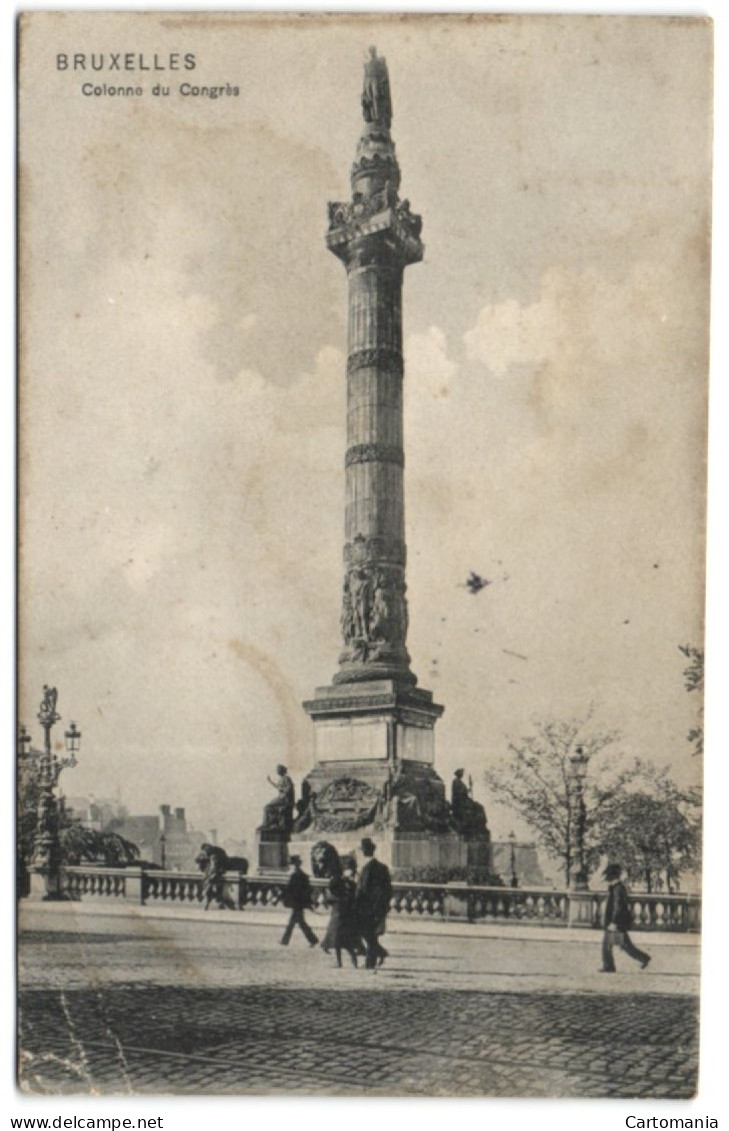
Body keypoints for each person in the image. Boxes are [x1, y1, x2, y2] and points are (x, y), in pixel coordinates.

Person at [600, 863, 651, 973]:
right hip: (618, 922)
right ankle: (643, 958)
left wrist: (613, 922)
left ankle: (609, 966)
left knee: (617, 945)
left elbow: (618, 907)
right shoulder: (617, 888)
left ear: (611, 876)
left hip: (616, 922)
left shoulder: (617, 889)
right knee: (621, 945)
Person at [355, 837, 392, 969]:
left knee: (366, 933)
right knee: (371, 934)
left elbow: (362, 889)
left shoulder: (366, 869)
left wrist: (355, 903)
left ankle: (374, 959)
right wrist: (384, 906)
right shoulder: (382, 868)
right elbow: (389, 890)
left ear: (364, 851)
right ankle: (377, 956)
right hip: (378, 907)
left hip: (366, 908)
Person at [321, 860, 360, 968]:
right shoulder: (349, 882)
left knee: (338, 937)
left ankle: (339, 960)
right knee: (342, 938)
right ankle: (350, 958)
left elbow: (332, 897)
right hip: (345, 912)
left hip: (339, 912)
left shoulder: (337, 881)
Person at [280, 855, 319, 948]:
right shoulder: (303, 876)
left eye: (293, 864)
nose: (292, 866)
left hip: (297, 903)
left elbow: (290, 890)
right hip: (299, 903)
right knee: (299, 923)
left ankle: (285, 941)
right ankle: (312, 940)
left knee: (295, 923)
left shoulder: (296, 876)